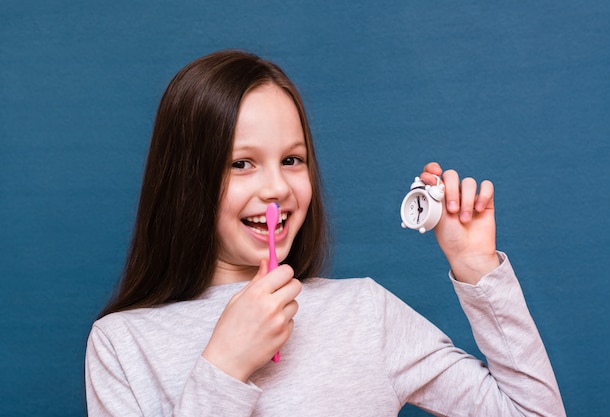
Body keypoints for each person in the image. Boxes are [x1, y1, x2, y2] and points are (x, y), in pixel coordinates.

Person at [85, 50, 566, 416]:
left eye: (292, 160)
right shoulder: (121, 344)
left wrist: (477, 270)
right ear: (187, 182)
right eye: (241, 163)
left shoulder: (364, 312)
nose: (277, 188)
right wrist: (224, 367)